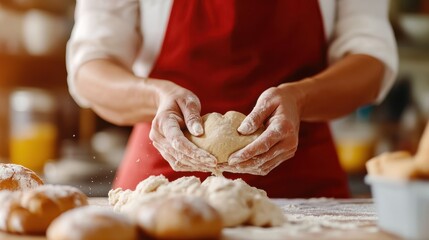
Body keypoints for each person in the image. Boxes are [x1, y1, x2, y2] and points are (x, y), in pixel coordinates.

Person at [67, 0, 397, 198]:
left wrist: (301, 97)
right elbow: (90, 66)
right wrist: (155, 98)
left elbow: (371, 59)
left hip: (304, 186)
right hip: (162, 184)